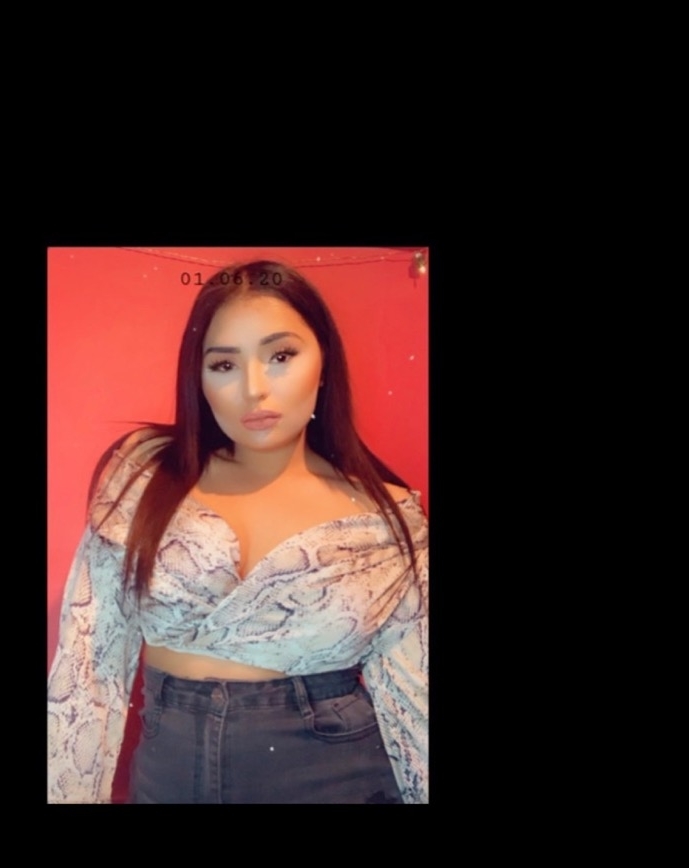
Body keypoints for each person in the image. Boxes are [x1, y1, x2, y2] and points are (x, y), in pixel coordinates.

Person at [47, 259, 428, 803]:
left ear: (324, 363)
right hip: (169, 775)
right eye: (224, 364)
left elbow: (415, 702)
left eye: (280, 356)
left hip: (339, 775)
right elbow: (88, 667)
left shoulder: (385, 518)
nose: (253, 388)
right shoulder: (144, 476)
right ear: (199, 379)